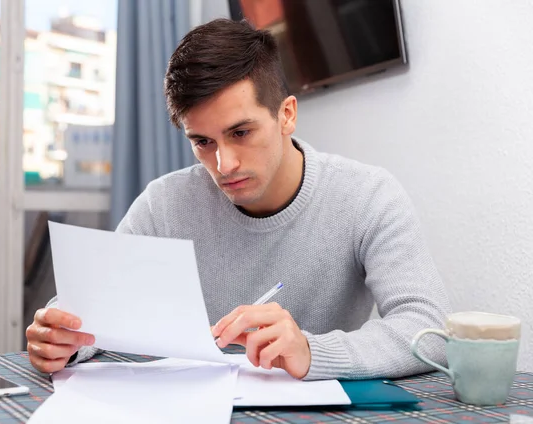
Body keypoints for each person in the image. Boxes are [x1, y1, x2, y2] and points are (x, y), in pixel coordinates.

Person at [26, 18, 451, 380]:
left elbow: (428, 332)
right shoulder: (165, 203)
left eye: (240, 133)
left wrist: (310, 351)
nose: (224, 163)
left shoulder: (367, 196)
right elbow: (95, 305)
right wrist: (62, 339)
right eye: (202, 142)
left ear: (286, 114)